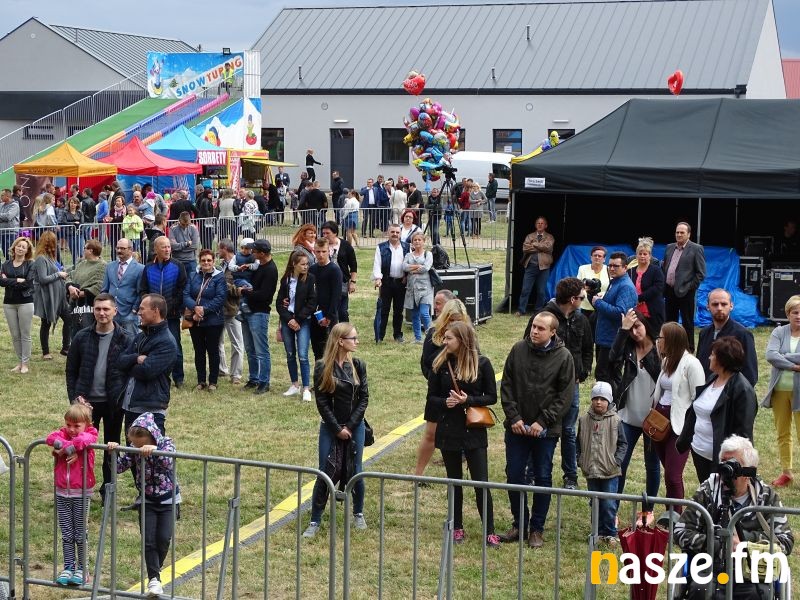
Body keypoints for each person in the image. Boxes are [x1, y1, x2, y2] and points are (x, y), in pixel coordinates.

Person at [674, 435, 794, 600]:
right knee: (701, 590)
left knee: (759, 595)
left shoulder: (766, 497)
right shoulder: (708, 491)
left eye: (733, 465)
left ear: (748, 472)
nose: (726, 471)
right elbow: (680, 531)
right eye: (723, 463)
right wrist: (719, 544)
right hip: (711, 569)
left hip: (751, 572)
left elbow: (785, 541)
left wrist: (745, 543)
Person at [499, 312, 575, 548]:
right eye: (533, 326)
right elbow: (507, 385)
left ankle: (537, 529)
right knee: (514, 475)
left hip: (545, 432)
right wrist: (514, 417)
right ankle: (519, 523)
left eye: (541, 328)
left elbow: (564, 397)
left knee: (543, 476)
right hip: (517, 428)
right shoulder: (518, 350)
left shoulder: (564, 357)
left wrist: (543, 421)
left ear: (553, 332)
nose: (535, 331)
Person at [426, 321, 500, 547]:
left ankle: (489, 530)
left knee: (481, 482)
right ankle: (456, 526)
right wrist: (446, 403)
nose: (445, 342)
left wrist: (469, 400)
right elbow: (431, 398)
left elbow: (491, 397)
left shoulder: (482, 363)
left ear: (462, 340)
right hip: (449, 429)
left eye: (449, 338)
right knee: (454, 481)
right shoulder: (440, 364)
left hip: (473, 431)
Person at [523, 277, 594, 490]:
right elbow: (528, 345)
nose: (583, 300)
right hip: (546, 386)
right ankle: (532, 473)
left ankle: (570, 477)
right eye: (582, 297)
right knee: (538, 428)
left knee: (569, 431)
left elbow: (587, 348)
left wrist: (583, 372)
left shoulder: (581, 319)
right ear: (572, 299)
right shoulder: (543, 318)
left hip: (572, 385)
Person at [65, 293, 132, 505]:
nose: (102, 313)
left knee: (112, 448)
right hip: (85, 405)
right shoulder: (81, 337)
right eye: (98, 309)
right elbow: (71, 370)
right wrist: (75, 398)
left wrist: (121, 396)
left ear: (115, 311)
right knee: (82, 447)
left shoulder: (126, 338)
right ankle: (80, 488)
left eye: (106, 309)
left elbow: (130, 372)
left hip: (113, 404)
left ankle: (108, 490)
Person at [303, 323, 369, 538]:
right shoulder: (322, 367)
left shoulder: (358, 365)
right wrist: (337, 428)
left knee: (356, 470)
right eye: (353, 338)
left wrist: (350, 426)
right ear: (340, 341)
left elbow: (364, 398)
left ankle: (358, 513)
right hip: (330, 427)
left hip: (355, 426)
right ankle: (315, 519)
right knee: (325, 471)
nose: (357, 341)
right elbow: (322, 402)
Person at [107, 413, 181, 597]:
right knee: (148, 540)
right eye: (134, 444)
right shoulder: (135, 448)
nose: (137, 448)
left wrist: (155, 451)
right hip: (147, 500)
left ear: (152, 436)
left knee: (163, 539)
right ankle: (154, 578)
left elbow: (168, 463)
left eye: (140, 444)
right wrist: (112, 452)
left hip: (168, 500)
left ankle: (156, 568)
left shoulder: (166, 444)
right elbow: (119, 467)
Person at [676, 336, 757, 486]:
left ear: (722, 360)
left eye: (712, 354)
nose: (709, 357)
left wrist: (735, 463)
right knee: (708, 492)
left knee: (722, 495)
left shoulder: (742, 390)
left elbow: (743, 433)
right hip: (699, 452)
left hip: (721, 459)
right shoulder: (713, 378)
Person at [608, 309, 662, 521]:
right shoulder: (628, 346)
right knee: (620, 463)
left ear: (645, 325)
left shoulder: (659, 348)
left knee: (652, 465)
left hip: (653, 419)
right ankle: (612, 509)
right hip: (628, 416)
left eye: (637, 327)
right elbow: (612, 358)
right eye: (630, 329)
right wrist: (622, 331)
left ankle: (648, 510)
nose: (635, 332)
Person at [652, 321, 705, 512]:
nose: (658, 341)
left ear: (672, 340)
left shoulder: (692, 364)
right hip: (660, 423)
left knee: (673, 475)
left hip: (680, 425)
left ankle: (676, 516)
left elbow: (698, 397)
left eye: (661, 338)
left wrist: (691, 427)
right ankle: (669, 514)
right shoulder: (666, 361)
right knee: (668, 473)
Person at [414, 297, 469, 479]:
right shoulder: (434, 334)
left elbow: (474, 360)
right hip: (438, 393)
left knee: (460, 432)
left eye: (458, 320)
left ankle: (457, 473)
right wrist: (437, 378)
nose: (455, 323)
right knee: (431, 434)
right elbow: (426, 363)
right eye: (452, 319)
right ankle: (418, 475)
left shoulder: (467, 334)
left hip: (459, 393)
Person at [45, 403, 98, 587]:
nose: (72, 429)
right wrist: (65, 446)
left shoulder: (91, 435)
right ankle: (68, 566)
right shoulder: (63, 434)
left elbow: (83, 440)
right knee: (67, 532)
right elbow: (51, 438)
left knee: (80, 533)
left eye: (77, 426)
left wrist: (70, 449)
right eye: (68, 425)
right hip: (62, 492)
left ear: (87, 424)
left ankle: (83, 569)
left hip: (81, 493)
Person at [576, 382, 627, 548]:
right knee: (595, 503)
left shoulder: (616, 420)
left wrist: (616, 461)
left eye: (603, 399)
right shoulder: (584, 420)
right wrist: (580, 458)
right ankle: (596, 532)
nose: (599, 402)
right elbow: (578, 442)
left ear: (609, 401)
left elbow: (623, 444)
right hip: (591, 469)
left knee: (609, 503)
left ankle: (610, 532)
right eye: (596, 398)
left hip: (609, 470)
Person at [119, 294, 177, 436]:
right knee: (131, 450)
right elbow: (120, 361)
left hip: (151, 409)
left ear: (155, 311)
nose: (138, 312)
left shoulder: (166, 342)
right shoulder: (141, 336)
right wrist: (136, 358)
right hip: (131, 406)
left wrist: (128, 366)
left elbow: (146, 371)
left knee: (150, 450)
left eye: (142, 309)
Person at [138, 236, 187, 388]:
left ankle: (178, 377)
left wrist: (168, 307)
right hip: (151, 316)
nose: (167, 249)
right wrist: (149, 306)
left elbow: (182, 290)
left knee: (175, 346)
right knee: (151, 346)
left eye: (169, 247)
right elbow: (143, 290)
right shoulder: (148, 268)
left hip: (171, 315)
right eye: (163, 247)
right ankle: (157, 374)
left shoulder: (178, 266)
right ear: (155, 249)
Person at [762, 295, 800, 488]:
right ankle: (787, 472)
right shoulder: (778, 331)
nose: (798, 316)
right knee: (783, 433)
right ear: (788, 314)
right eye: (795, 312)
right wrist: (794, 365)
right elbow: (770, 355)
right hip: (779, 391)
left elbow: (777, 356)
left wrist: (783, 356)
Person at [184, 249, 227, 392]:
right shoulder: (192, 275)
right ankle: (201, 380)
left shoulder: (219, 277)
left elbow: (220, 298)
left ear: (213, 261)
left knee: (213, 350)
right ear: (199, 261)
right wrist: (195, 308)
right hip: (195, 320)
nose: (206, 263)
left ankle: (213, 381)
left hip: (213, 320)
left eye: (209, 260)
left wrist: (203, 310)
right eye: (203, 260)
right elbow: (186, 294)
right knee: (199, 351)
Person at [239, 239, 278, 394]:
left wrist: (244, 291)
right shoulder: (258, 266)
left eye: (254, 251)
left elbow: (264, 295)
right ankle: (254, 378)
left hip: (259, 313)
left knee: (261, 350)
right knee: (250, 348)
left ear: (262, 253)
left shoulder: (271, 270)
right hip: (248, 311)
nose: (252, 253)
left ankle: (264, 382)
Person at [276, 250, 317, 402]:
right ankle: (294, 384)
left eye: (307, 264)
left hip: (302, 321)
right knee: (290, 353)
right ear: (294, 264)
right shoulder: (286, 280)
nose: (306, 267)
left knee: (303, 354)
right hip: (288, 320)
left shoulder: (310, 279)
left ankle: (306, 388)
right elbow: (279, 302)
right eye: (303, 264)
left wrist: (298, 320)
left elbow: (312, 303)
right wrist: (289, 319)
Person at [696, 288, 758, 387]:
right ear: (708, 306)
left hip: (730, 393)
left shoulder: (742, 335)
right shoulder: (704, 333)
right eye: (715, 304)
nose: (719, 308)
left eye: (724, 304)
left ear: (731, 306)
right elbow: (700, 366)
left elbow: (750, 375)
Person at [592, 251, 638, 382]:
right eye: (610, 265)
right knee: (605, 375)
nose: (612, 268)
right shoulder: (616, 281)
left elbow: (621, 313)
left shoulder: (625, 286)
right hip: (606, 337)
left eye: (616, 266)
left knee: (607, 376)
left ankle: (615, 397)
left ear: (625, 267)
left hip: (614, 340)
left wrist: (599, 303)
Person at [663, 222, 706, 353]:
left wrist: (690, 287)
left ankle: (689, 349)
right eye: (677, 232)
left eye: (682, 232)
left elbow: (701, 273)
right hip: (669, 291)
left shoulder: (696, 249)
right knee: (670, 322)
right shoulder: (669, 247)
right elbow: (665, 267)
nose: (679, 235)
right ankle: (670, 347)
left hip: (686, 292)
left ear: (689, 234)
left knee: (687, 322)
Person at [32, 230, 70, 360]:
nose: (57, 244)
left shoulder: (52, 258)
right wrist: (58, 274)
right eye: (55, 242)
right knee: (46, 323)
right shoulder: (41, 259)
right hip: (48, 296)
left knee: (68, 319)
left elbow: (57, 270)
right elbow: (43, 279)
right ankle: (45, 352)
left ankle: (66, 348)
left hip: (59, 295)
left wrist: (62, 272)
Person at [1, 236, 34, 373]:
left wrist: (9, 280)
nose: (20, 248)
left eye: (23, 247)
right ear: (14, 247)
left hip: (25, 302)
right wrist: (17, 280)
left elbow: (28, 283)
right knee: (15, 335)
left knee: (25, 333)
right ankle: (20, 362)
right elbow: (1, 282)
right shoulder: (5, 264)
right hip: (9, 303)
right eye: (18, 246)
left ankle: (25, 363)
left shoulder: (30, 264)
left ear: (27, 251)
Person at [372, 224, 410, 343]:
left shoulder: (407, 247)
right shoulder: (381, 247)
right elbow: (377, 264)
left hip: (401, 283)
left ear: (400, 234)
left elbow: (410, 263)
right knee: (384, 309)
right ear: (388, 233)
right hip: (386, 283)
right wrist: (378, 278)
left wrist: (407, 276)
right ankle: (380, 335)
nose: (395, 234)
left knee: (398, 311)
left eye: (397, 232)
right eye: (392, 232)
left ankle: (398, 335)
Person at [215, 239, 245, 385]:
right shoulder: (221, 266)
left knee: (237, 343)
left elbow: (241, 289)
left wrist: (223, 285)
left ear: (225, 249)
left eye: (219, 249)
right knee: (217, 341)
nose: (217, 252)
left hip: (233, 309)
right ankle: (222, 369)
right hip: (219, 309)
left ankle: (236, 374)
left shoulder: (239, 265)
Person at [64, 240, 106, 341]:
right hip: (75, 304)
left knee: (87, 335)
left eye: (85, 248)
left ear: (91, 250)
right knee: (74, 333)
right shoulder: (81, 263)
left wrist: (80, 293)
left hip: (90, 306)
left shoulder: (102, 266)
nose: (83, 250)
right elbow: (69, 275)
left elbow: (99, 286)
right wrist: (70, 287)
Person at [101, 238, 144, 337]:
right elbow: (105, 289)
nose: (119, 251)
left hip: (129, 313)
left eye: (123, 248)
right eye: (118, 248)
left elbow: (141, 292)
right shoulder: (110, 266)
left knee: (131, 341)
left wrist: (134, 310)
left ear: (130, 249)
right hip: (111, 313)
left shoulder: (140, 269)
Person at [309, 237, 341, 359]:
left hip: (329, 316)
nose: (321, 255)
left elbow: (336, 295)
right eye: (318, 251)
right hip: (315, 314)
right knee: (317, 349)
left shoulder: (334, 270)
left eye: (324, 251)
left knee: (330, 350)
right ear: (314, 252)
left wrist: (329, 317)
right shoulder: (312, 269)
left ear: (329, 251)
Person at [516, 217, 554, 315]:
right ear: (535, 225)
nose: (540, 225)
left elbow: (548, 247)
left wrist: (535, 244)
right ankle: (521, 310)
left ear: (546, 225)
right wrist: (541, 248)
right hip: (530, 267)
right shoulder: (530, 236)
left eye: (542, 223)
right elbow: (525, 248)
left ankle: (538, 310)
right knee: (525, 290)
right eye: (538, 223)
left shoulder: (549, 237)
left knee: (541, 291)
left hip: (544, 268)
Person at [321, 221, 357, 323]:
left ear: (335, 233)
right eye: (323, 233)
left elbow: (353, 265)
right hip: (325, 283)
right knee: (330, 312)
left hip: (342, 282)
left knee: (342, 312)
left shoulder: (345, 245)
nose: (325, 236)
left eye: (327, 233)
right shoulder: (321, 246)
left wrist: (353, 282)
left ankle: (345, 330)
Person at [403, 232, 435, 344]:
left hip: (425, 289)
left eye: (419, 240)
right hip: (412, 288)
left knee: (424, 313)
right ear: (412, 242)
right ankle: (418, 338)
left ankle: (432, 337)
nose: (417, 242)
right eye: (415, 240)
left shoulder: (428, 254)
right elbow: (404, 267)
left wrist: (412, 270)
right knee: (415, 314)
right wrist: (417, 266)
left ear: (423, 241)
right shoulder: (408, 255)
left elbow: (426, 268)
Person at [629, 236, 665, 332]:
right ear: (636, 255)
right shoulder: (630, 271)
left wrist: (639, 298)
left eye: (645, 254)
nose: (642, 256)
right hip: (634, 311)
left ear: (650, 256)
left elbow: (657, 288)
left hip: (652, 311)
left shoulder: (656, 270)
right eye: (640, 254)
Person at [576, 247, 609, 331]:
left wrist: (603, 294)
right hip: (585, 306)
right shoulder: (582, 268)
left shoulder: (609, 270)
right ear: (591, 257)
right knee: (585, 331)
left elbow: (612, 287)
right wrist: (585, 289)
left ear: (604, 259)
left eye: (600, 256)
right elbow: (577, 286)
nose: (597, 257)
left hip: (602, 306)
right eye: (595, 255)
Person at [168, 212, 200, 278]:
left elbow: (195, 246)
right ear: (179, 220)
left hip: (191, 261)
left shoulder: (193, 228)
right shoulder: (173, 228)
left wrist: (179, 247)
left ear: (190, 221)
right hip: (177, 260)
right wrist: (186, 244)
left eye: (187, 224)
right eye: (183, 224)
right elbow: (173, 246)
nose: (185, 226)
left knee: (192, 281)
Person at [60, 197, 84, 267]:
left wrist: (77, 224)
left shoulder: (80, 212)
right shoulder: (65, 212)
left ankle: (82, 266)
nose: (73, 204)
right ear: (69, 203)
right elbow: (64, 222)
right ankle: (75, 266)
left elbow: (82, 222)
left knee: (80, 252)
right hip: (70, 234)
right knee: (73, 252)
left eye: (75, 203)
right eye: (71, 202)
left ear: (77, 204)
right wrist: (73, 223)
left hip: (79, 234)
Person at [0, 189, 20, 260]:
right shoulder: (1, 205)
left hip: (11, 232)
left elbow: (8, 216)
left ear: (8, 196)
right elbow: (6, 217)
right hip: (2, 232)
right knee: (5, 252)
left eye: (2, 195)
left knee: (10, 253)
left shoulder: (15, 205)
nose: (1, 197)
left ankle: (13, 266)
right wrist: (4, 217)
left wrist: (3, 217)